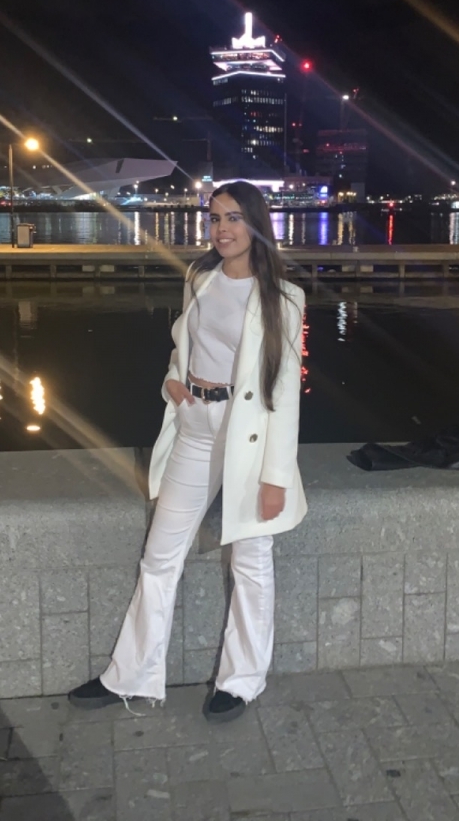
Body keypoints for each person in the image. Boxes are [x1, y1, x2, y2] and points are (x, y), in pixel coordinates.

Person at [68, 181, 307, 721]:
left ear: (256, 224)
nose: (222, 229)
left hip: (248, 436)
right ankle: (129, 674)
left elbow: (284, 390)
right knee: (159, 556)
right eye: (215, 218)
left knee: (251, 561)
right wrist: (173, 385)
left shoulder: (283, 297)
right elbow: (185, 344)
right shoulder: (200, 276)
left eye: (234, 218)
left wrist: (275, 476)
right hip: (197, 422)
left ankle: (241, 682)